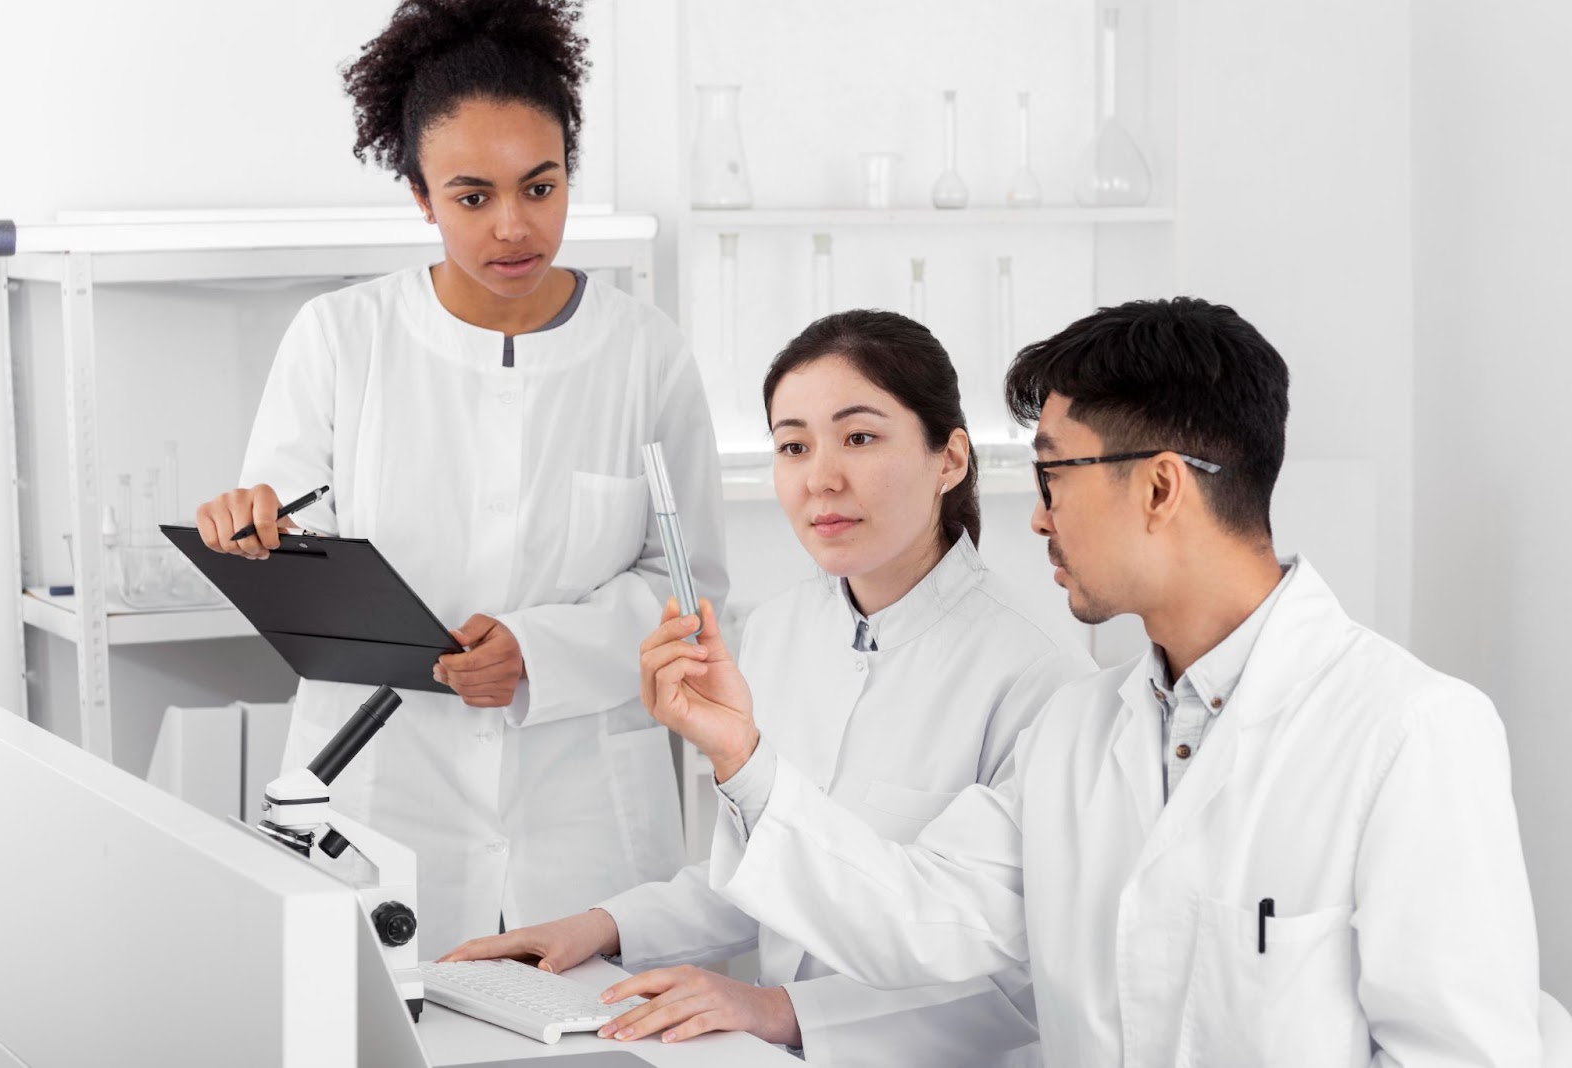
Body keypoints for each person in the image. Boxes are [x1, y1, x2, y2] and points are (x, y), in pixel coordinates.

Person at [633, 298, 1545, 1066]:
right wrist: (742, 757)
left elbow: (1458, 1054)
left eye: (1054, 477)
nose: (1034, 519)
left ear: (1158, 490)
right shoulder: (1077, 731)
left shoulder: (1409, 731)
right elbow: (919, 914)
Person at [193, 0, 726, 954]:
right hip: (382, 788)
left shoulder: (648, 356)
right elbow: (282, 527)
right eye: (473, 196)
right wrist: (253, 525)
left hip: (583, 813)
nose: (514, 228)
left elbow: (691, 593)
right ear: (421, 195)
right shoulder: (340, 339)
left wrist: (539, 649)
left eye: (541, 186)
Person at [440, 310, 1096, 1066]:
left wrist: (780, 1010)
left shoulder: (1041, 674)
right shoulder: (779, 631)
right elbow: (756, 874)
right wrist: (597, 928)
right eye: (793, 445)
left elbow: (1019, 974)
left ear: (949, 459)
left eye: (860, 437)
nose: (821, 477)